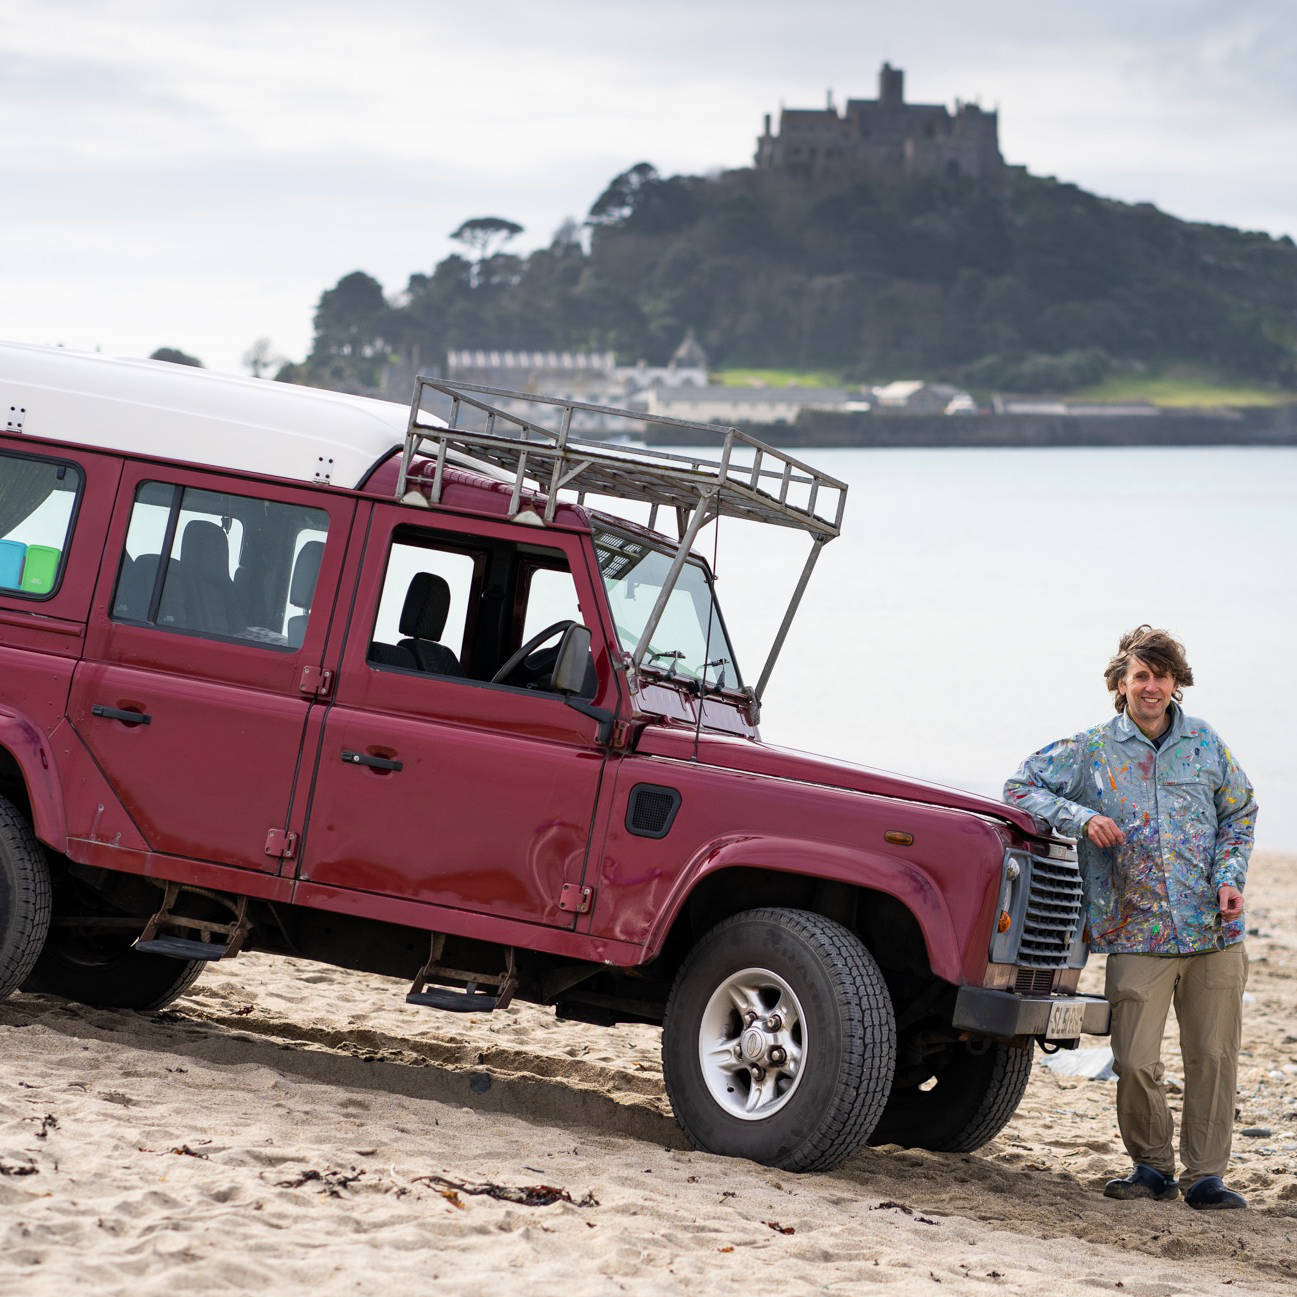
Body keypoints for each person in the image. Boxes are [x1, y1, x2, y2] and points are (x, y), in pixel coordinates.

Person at [1004, 625, 1256, 1210]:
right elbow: (1021, 787)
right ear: (1120, 683)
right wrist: (1080, 818)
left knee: (1213, 1057)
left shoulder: (1205, 744)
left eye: (1161, 675)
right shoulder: (1091, 750)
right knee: (1136, 1058)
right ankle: (1151, 1167)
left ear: (1176, 683)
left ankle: (1206, 1176)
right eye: (1140, 675)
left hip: (1211, 932)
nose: (1151, 686)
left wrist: (1229, 878)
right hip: (1133, 928)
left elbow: (1240, 812)